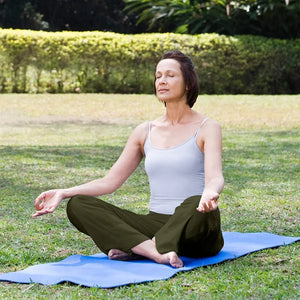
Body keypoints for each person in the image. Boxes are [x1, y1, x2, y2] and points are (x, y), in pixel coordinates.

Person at [33, 50, 224, 268]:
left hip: (196, 225)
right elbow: (109, 182)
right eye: (158, 75)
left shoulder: (207, 127)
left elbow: (215, 177)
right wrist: (64, 192)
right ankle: (155, 251)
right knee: (78, 204)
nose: (162, 81)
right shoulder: (145, 131)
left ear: (188, 83)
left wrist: (210, 193)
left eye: (170, 75)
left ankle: (138, 248)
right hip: (156, 223)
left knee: (194, 201)